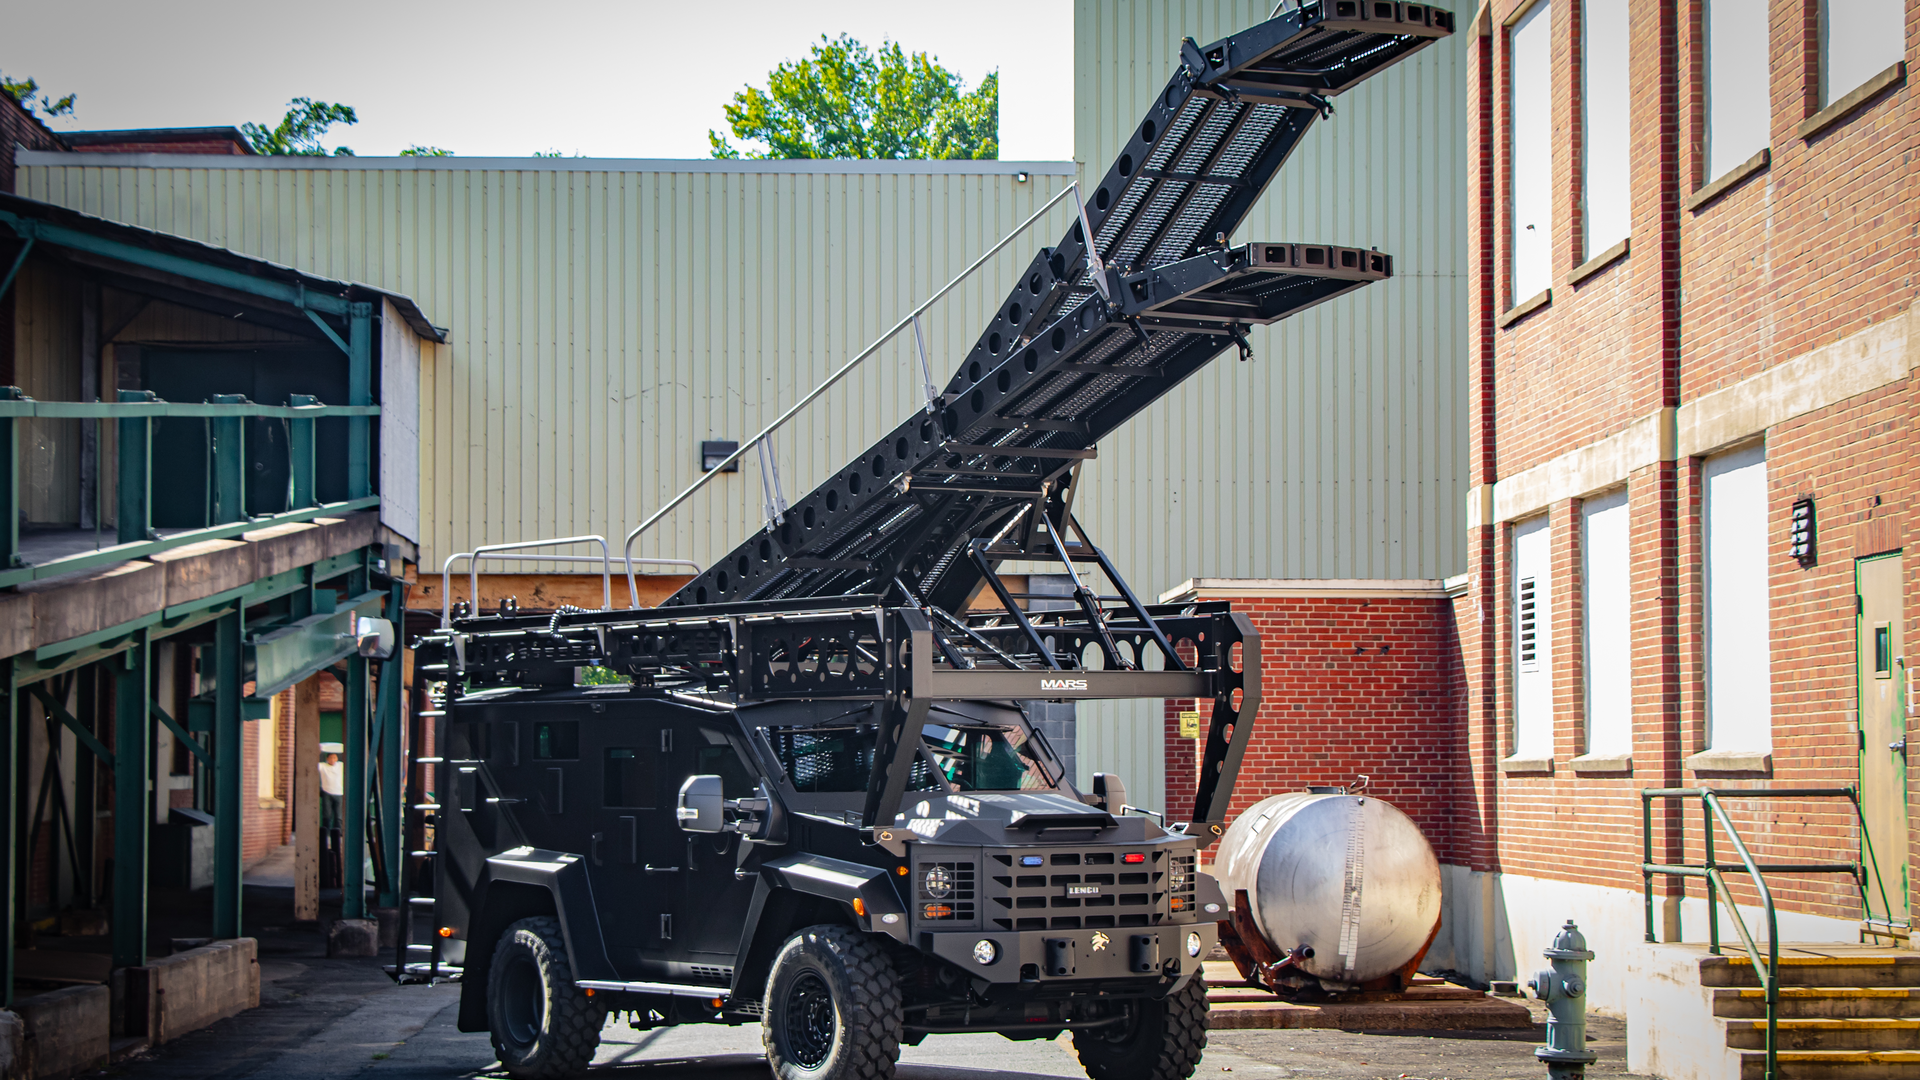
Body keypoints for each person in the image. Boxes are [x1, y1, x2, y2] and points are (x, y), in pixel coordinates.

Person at [318, 750, 343, 828]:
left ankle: (338, 833)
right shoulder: (323, 766)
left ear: (337, 759)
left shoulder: (341, 765)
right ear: (327, 759)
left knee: (338, 815)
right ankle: (326, 834)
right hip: (327, 792)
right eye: (330, 758)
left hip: (339, 793)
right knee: (327, 814)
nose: (332, 759)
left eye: (334, 757)